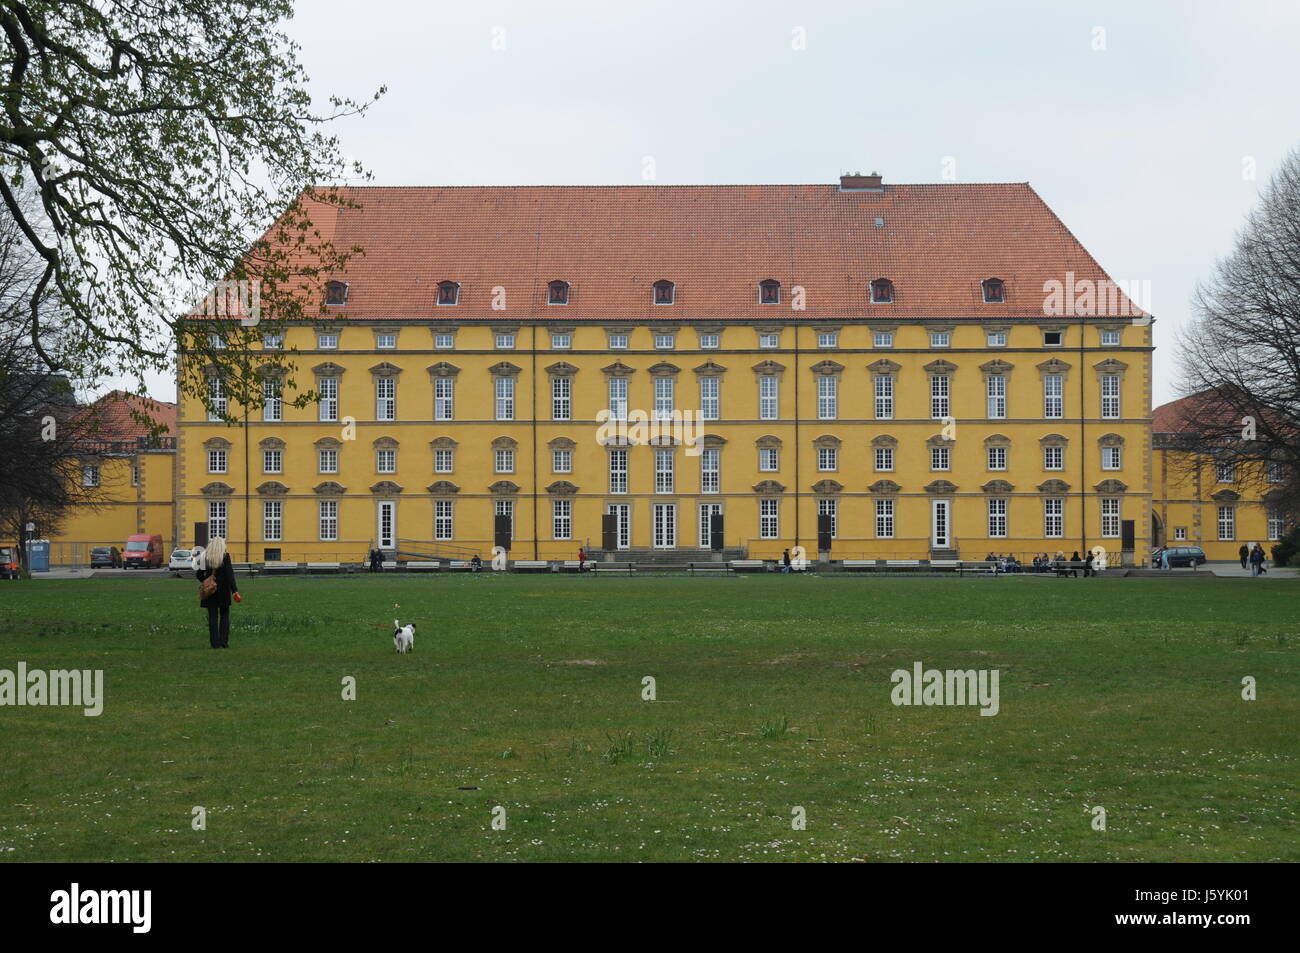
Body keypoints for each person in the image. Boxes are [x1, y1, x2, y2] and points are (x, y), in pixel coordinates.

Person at [196, 536, 238, 649]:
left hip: (210, 590)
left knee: (212, 616)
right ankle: (223, 642)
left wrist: (206, 581)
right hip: (223, 590)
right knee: (224, 615)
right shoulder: (225, 557)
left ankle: (214, 643)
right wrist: (235, 590)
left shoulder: (205, 557)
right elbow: (230, 576)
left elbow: (198, 574)